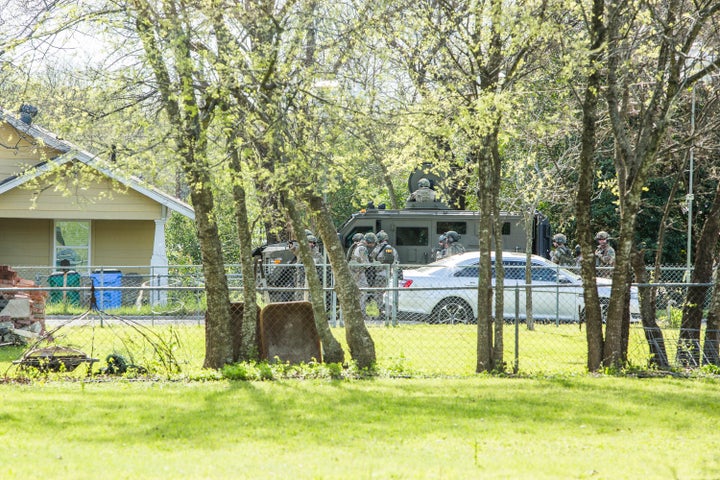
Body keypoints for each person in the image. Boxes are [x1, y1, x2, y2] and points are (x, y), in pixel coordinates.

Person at [369, 231, 400, 316]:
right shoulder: (393, 249)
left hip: (380, 275)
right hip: (390, 275)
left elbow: (371, 257)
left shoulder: (377, 248)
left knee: (378, 294)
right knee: (389, 294)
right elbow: (396, 261)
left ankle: (381, 311)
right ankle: (390, 312)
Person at [349, 232, 374, 321]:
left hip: (354, 273)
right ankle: (361, 314)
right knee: (363, 292)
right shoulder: (362, 248)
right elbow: (365, 263)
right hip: (359, 274)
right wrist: (374, 264)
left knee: (356, 293)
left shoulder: (356, 246)